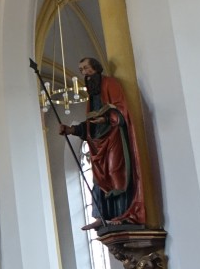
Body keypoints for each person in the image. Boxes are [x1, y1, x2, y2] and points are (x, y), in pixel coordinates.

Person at [58, 57, 146, 229]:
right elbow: (89, 126)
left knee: (115, 172)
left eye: (86, 68)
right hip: (97, 143)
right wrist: (71, 130)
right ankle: (102, 217)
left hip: (114, 137)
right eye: (81, 69)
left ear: (96, 68)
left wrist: (106, 118)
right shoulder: (92, 96)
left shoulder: (110, 84)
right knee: (99, 178)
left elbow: (121, 111)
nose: (84, 72)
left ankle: (124, 214)